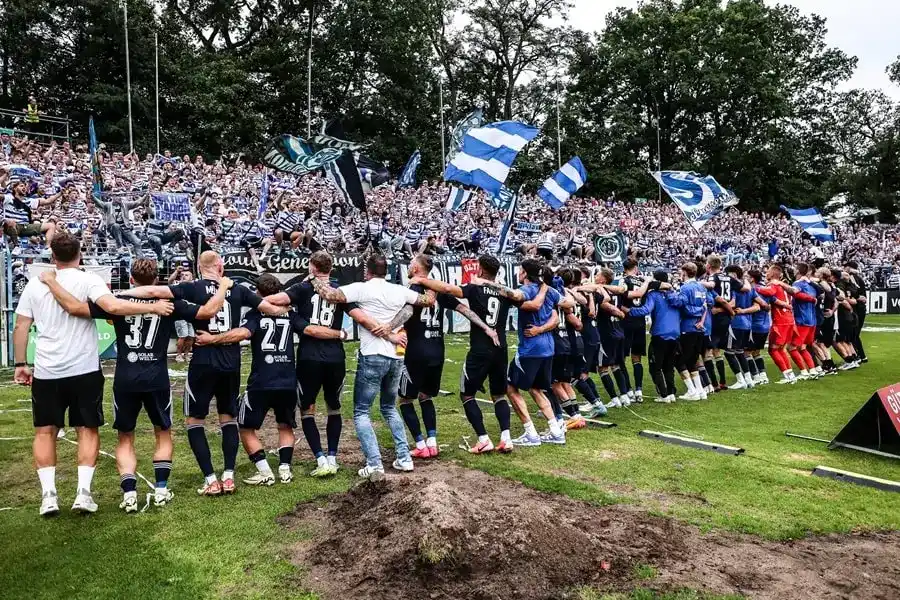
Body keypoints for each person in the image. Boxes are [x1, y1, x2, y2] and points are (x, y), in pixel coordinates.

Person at [38, 258, 229, 512]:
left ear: (130, 280)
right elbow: (207, 312)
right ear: (157, 281)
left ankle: (129, 494)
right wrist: (224, 287)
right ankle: (161, 489)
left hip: (126, 377)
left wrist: (51, 282)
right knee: (162, 432)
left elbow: (74, 307)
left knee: (125, 436)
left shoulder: (115, 302)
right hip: (157, 377)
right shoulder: (169, 303)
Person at [14, 232, 174, 516]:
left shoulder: (34, 284)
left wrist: (20, 364)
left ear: (52, 256)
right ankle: (83, 493)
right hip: (83, 368)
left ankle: (49, 496)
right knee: (87, 429)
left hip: (47, 368)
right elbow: (112, 306)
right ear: (80, 254)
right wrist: (153, 307)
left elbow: (21, 326)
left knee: (44, 431)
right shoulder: (88, 279)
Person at [123, 250, 287, 495]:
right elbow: (273, 309)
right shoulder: (239, 290)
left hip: (203, 360)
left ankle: (211, 479)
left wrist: (119, 294)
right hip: (230, 361)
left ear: (201, 267)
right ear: (220, 267)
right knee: (228, 417)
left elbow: (154, 291)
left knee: (194, 421)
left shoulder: (193, 287)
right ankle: (229, 475)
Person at [196, 274, 344, 486]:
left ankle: (264, 470)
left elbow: (242, 333)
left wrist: (213, 339)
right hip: (287, 381)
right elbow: (310, 329)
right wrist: (340, 333)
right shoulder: (290, 314)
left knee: (245, 427)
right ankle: (285, 469)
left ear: (258, 293)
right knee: (285, 426)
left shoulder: (257, 313)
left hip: (262, 380)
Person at [307, 253, 430, 480]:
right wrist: (426, 281)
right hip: (396, 356)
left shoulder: (361, 288)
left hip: (373, 354)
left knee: (362, 411)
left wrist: (313, 277)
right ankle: (404, 458)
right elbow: (425, 301)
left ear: (368, 271)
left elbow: (331, 295)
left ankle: (374, 464)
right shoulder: (399, 290)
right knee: (389, 408)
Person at [265, 251, 364, 477]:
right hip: (335, 357)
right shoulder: (340, 291)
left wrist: (279, 308)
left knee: (307, 409)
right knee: (334, 406)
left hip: (309, 357)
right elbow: (360, 315)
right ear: (331, 269)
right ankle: (332, 457)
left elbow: (275, 300)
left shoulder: (302, 288)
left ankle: (320, 458)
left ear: (312, 268)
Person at [400, 254, 499, 457]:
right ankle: (433, 442)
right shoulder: (438, 292)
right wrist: (487, 327)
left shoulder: (412, 290)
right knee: (426, 396)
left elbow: (407, 312)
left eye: (411, 264)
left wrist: (389, 329)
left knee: (405, 400)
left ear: (417, 269)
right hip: (437, 351)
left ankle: (420, 445)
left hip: (417, 351)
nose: (409, 267)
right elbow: (464, 309)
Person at [475, 259, 568, 447]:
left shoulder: (528, 290)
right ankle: (557, 432)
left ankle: (531, 433)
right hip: (548, 349)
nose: (518, 273)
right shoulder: (549, 290)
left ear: (525, 273)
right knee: (535, 388)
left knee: (509, 386)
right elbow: (569, 303)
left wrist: (487, 283)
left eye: (520, 270)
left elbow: (517, 295)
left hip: (530, 349)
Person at [624, 270, 680, 403]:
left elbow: (646, 310)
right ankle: (671, 393)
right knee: (669, 365)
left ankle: (664, 395)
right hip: (675, 333)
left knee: (655, 366)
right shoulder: (674, 294)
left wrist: (629, 310)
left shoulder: (654, 295)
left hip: (660, 333)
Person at [754, 264, 798, 384]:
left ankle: (787, 375)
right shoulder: (784, 286)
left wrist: (754, 288)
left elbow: (769, 292)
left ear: (773, 274)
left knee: (773, 349)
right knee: (781, 349)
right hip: (789, 319)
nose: (766, 273)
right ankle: (790, 375)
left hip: (781, 321)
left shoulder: (773, 284)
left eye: (768, 271)